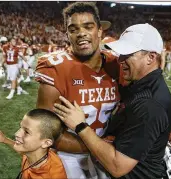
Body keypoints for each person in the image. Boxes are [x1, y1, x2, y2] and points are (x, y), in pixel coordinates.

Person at [53, 23, 171, 179]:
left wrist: (80, 125)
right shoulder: (142, 85)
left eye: (127, 54)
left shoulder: (149, 105)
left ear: (150, 57)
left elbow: (117, 166)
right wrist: (157, 133)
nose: (120, 60)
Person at [34, 2, 122, 178]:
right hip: (69, 158)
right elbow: (43, 132)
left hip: (105, 153)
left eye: (88, 27)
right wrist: (96, 145)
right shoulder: (57, 68)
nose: (81, 33)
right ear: (68, 34)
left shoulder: (116, 64)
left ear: (99, 31)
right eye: (73, 29)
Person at [0, 109, 67, 179]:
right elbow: (22, 152)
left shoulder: (51, 175)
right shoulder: (34, 154)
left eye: (27, 132)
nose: (17, 134)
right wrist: (4, 139)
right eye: (20, 127)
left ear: (46, 143)